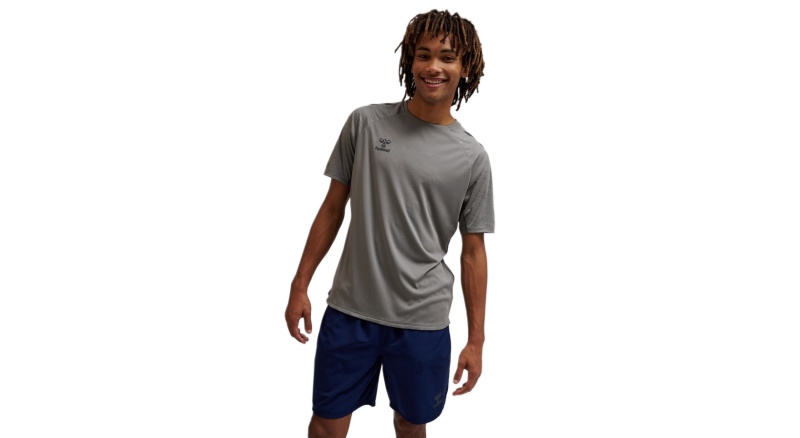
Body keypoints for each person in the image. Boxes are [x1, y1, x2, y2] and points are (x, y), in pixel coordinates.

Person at [285, 9, 494, 438]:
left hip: (423, 322)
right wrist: (299, 284)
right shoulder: (365, 123)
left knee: (410, 425)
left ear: (465, 68)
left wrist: (476, 339)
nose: (433, 67)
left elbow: (473, 252)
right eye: (424, 54)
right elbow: (332, 208)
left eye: (447, 57)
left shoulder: (473, 157)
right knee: (326, 424)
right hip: (350, 311)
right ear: (409, 61)